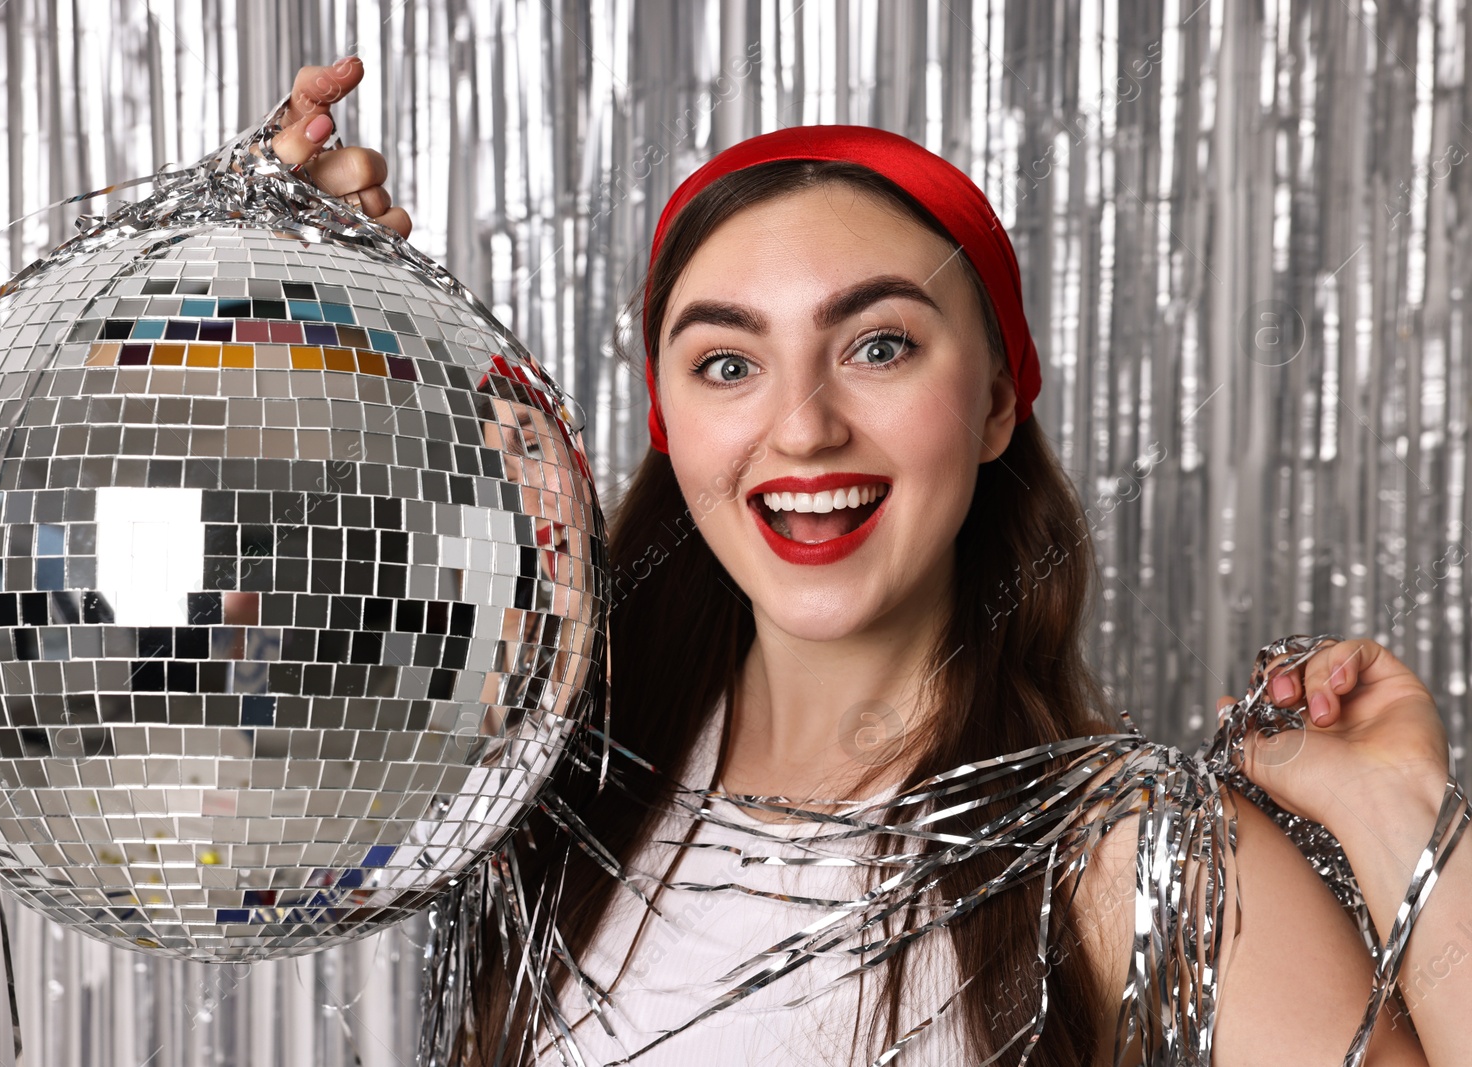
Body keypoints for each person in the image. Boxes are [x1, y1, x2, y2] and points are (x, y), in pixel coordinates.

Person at [266, 57, 1470, 1065]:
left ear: (997, 400)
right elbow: (203, 707)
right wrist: (277, 286)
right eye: (727, 363)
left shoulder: (1129, 852)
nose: (802, 428)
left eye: (878, 345)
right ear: (670, 423)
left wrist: (1399, 810)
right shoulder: (534, 777)